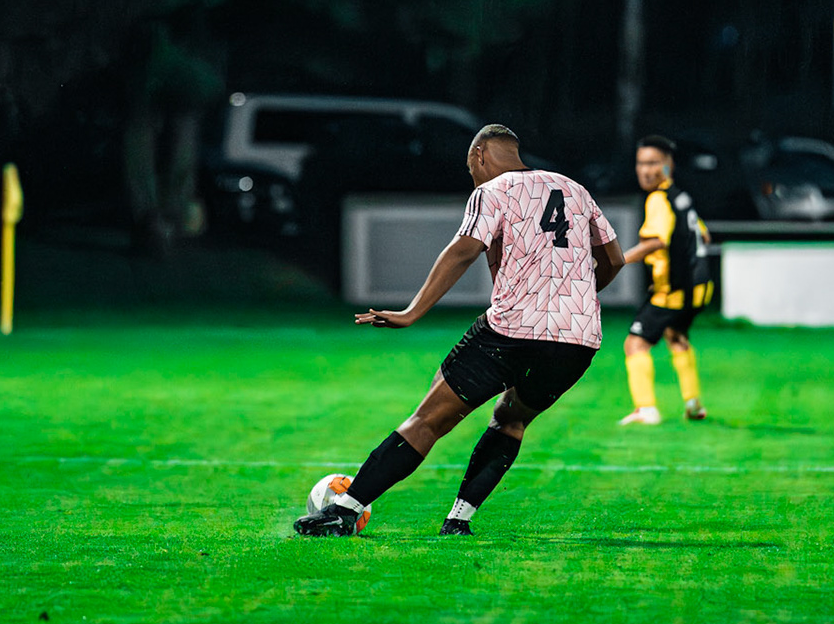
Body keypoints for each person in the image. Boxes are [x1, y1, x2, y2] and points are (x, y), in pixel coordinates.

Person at [294, 124, 626, 537]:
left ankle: (344, 510)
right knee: (511, 419)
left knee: (429, 419)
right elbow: (614, 259)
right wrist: (574, 299)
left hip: (511, 330)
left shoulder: (491, 190)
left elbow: (464, 248)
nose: (472, 176)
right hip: (577, 341)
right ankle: (459, 520)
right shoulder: (575, 189)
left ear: (479, 155)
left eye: (470, 168)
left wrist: (412, 312)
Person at [619, 134, 713, 425]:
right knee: (677, 337)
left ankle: (646, 409)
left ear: (668, 165)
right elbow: (704, 235)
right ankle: (694, 404)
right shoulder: (680, 196)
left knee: (635, 344)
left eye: (653, 164)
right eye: (641, 163)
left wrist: (620, 260)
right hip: (700, 287)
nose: (645, 170)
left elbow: (656, 240)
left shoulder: (659, 199)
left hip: (673, 290)